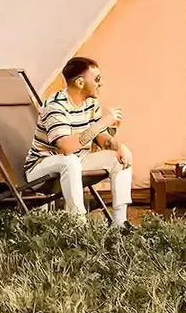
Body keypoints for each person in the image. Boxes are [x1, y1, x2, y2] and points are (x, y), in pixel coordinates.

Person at [24, 56, 134, 228]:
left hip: (76, 161)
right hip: (41, 166)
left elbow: (100, 137)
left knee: (119, 159)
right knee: (70, 161)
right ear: (80, 83)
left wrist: (119, 146)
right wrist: (104, 122)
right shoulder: (55, 106)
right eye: (97, 79)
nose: (101, 83)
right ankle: (78, 224)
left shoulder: (91, 103)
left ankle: (120, 223)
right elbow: (66, 147)